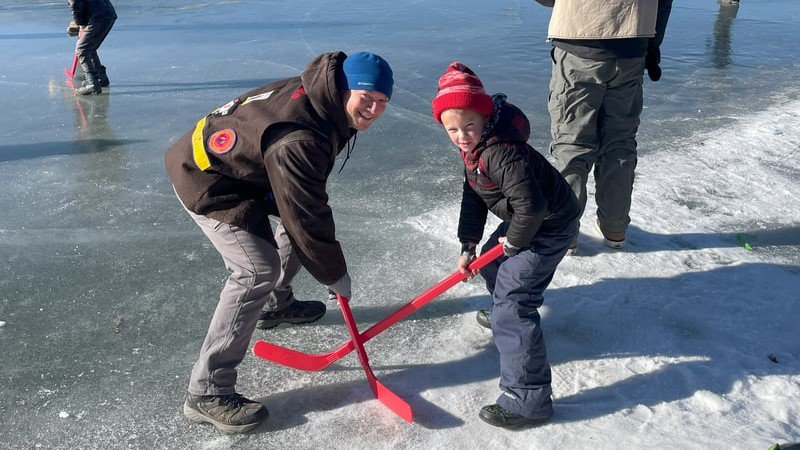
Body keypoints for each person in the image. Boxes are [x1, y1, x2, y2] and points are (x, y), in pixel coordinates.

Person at [165, 51, 393, 433]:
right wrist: (334, 274)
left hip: (245, 167)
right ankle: (206, 391)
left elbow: (302, 207)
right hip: (208, 178)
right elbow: (306, 217)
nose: (372, 109)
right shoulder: (300, 137)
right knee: (257, 269)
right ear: (343, 89)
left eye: (382, 102)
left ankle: (277, 305)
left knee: (296, 223)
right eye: (365, 98)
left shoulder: (321, 98)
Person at [431, 62, 579, 429]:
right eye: (452, 129)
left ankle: (528, 401)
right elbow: (473, 196)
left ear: (483, 118)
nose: (461, 135)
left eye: (468, 126)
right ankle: (503, 308)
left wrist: (514, 243)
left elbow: (533, 207)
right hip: (527, 220)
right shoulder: (474, 150)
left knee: (514, 306)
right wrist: (468, 243)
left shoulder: (500, 152)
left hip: (549, 224)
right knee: (489, 264)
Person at [535, 0, 673, 252]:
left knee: (572, 143)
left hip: (581, 39)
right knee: (620, 142)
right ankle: (615, 227)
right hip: (633, 41)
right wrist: (652, 44)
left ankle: (567, 231)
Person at [66, 0, 117, 95]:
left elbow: (75, 4)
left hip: (97, 17)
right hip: (109, 14)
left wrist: (80, 23)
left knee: (81, 49)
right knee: (89, 47)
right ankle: (101, 77)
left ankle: (92, 83)